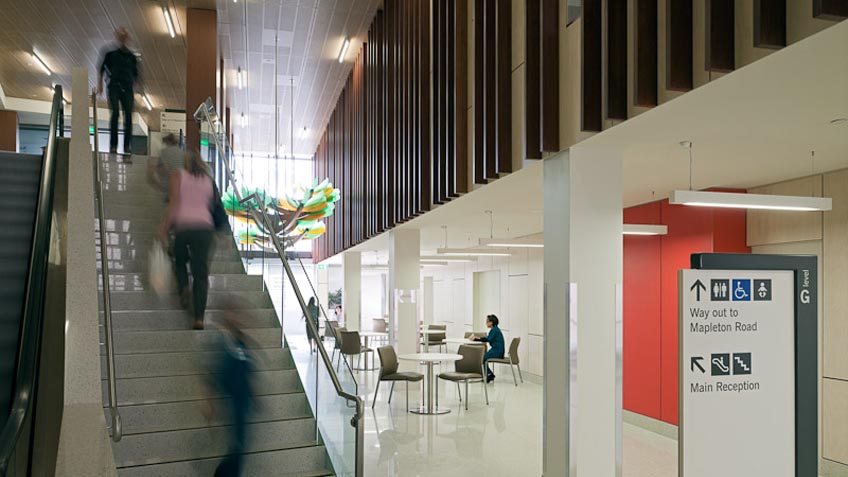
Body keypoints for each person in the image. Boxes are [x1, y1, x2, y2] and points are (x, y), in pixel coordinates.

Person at [159, 149, 215, 330]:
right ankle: (199, 318)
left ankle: (183, 286)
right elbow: (211, 206)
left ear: (185, 161)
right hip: (204, 229)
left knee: (179, 259)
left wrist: (165, 228)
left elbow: (174, 202)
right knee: (201, 274)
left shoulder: (178, 175)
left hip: (184, 227)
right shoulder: (208, 180)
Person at [203, 300, 257, 477]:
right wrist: (208, 401)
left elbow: (247, 369)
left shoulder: (242, 340)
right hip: (230, 403)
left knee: (239, 448)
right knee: (236, 449)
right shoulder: (221, 339)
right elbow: (211, 374)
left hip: (243, 403)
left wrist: (255, 396)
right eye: (234, 313)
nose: (239, 318)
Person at [98, 26, 140, 155]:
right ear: (117, 37)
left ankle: (126, 146)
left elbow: (136, 75)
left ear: (127, 38)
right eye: (120, 36)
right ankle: (113, 145)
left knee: (128, 117)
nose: (122, 38)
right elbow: (101, 70)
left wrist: (137, 90)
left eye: (125, 36)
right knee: (115, 113)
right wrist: (100, 86)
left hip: (127, 89)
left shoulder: (132, 57)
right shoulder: (110, 54)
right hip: (114, 87)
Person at [475, 314, 505, 382]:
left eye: (487, 321)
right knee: (483, 357)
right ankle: (489, 374)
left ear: (491, 322)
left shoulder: (494, 330)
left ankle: (489, 374)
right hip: (496, 350)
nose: (486, 323)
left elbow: (488, 339)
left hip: (497, 351)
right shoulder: (495, 329)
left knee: (482, 358)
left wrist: (476, 339)